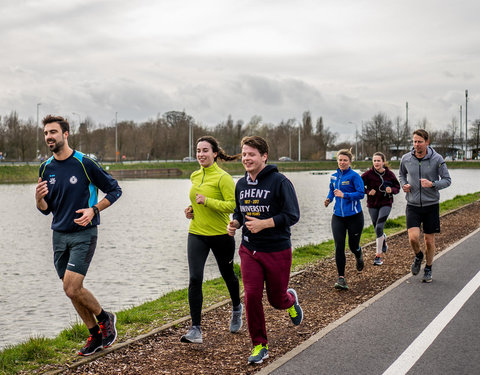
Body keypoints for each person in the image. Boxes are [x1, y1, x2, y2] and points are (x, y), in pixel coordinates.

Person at [35, 115, 122, 356]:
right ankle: (94, 335)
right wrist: (39, 199)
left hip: (84, 233)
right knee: (69, 288)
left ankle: (106, 319)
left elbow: (115, 190)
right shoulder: (45, 168)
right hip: (58, 235)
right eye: (45, 133)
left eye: (53, 132)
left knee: (72, 287)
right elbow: (46, 210)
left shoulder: (85, 163)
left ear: (66, 134)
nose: (49, 137)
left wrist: (94, 209)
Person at [227, 136, 302, 365]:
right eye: (244, 154)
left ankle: (290, 301)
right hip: (249, 249)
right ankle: (260, 345)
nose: (246, 158)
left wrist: (265, 223)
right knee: (251, 296)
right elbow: (240, 213)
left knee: (276, 300)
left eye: (251, 154)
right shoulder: (240, 184)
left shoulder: (280, 181)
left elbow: (292, 215)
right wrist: (235, 223)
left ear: (264, 156)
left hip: (277, 249)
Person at [181, 136, 243, 344]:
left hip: (220, 234)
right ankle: (195, 329)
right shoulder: (195, 175)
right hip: (197, 233)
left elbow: (233, 206)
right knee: (195, 278)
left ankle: (236, 308)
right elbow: (195, 202)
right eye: (198, 150)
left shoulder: (223, 177)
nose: (201, 154)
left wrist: (207, 201)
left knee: (227, 274)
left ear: (215, 153)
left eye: (205, 150)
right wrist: (191, 210)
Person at [399, 129, 451, 283]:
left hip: (431, 205)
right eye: (414, 141)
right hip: (413, 205)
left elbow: (447, 180)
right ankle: (418, 256)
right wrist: (404, 185)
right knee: (413, 238)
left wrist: (432, 184)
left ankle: (428, 268)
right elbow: (401, 174)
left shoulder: (437, 159)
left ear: (427, 142)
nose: (416, 145)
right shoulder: (406, 158)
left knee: (429, 241)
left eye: (420, 142)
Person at [324, 149, 365, 290]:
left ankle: (358, 253)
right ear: (337, 161)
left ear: (350, 162)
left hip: (354, 217)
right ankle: (341, 278)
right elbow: (332, 190)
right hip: (338, 217)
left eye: (345, 160)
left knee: (353, 245)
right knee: (339, 246)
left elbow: (361, 194)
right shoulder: (334, 176)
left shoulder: (355, 176)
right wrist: (329, 198)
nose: (342, 162)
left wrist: (344, 195)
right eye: (340, 160)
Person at [361, 152, 400, 266]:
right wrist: (368, 191)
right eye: (374, 161)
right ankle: (383, 241)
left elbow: (397, 187)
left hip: (386, 203)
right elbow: (358, 186)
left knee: (379, 226)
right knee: (377, 228)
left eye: (378, 161)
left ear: (383, 162)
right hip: (372, 204)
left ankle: (378, 256)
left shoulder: (389, 174)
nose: (376, 163)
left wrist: (391, 190)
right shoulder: (368, 174)